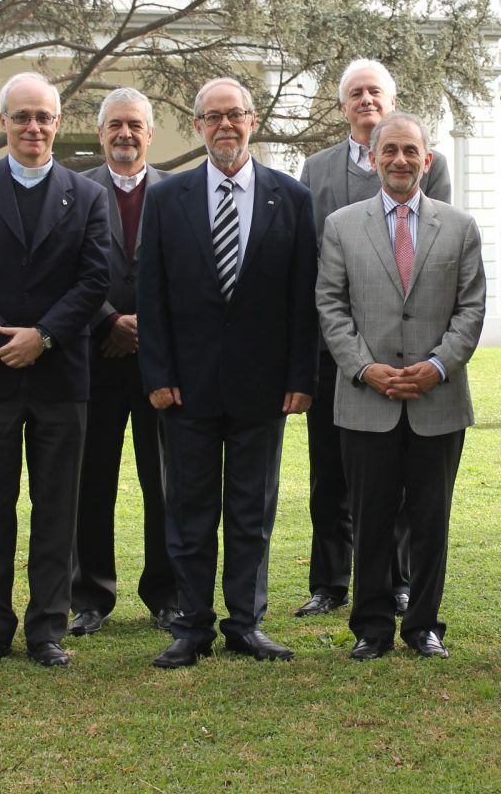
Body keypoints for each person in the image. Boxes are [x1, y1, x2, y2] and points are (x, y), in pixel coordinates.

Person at [137, 77, 318, 668]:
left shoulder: (290, 198)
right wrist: (157, 372)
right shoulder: (168, 200)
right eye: (212, 117)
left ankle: (247, 622)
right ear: (197, 126)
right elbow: (152, 294)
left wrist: (301, 376)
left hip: (262, 388)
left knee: (251, 511)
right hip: (185, 387)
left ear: (252, 120)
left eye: (234, 115)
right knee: (189, 513)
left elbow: (301, 297)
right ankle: (191, 626)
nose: (225, 126)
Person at [0, 72, 111, 668]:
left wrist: (46, 337)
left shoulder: (87, 195)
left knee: (57, 504)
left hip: (62, 378)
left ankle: (46, 628)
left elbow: (94, 280)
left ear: (59, 124)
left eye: (44, 117)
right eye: (21, 117)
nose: (33, 127)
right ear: (2, 123)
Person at [316, 112, 485, 660]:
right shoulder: (342, 225)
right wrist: (364, 368)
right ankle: (371, 626)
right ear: (373, 157)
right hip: (367, 399)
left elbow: (471, 308)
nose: (399, 160)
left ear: (427, 160)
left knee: (431, 520)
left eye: (411, 151)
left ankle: (424, 625)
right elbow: (331, 307)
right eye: (389, 150)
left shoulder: (459, 227)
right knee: (370, 517)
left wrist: (437, 365)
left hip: (437, 399)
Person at [294, 59, 452, 618]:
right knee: (330, 472)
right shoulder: (315, 169)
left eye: (375, 92)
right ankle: (330, 582)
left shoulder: (429, 164)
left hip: (409, 351)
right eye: (356, 93)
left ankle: (399, 579)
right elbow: (308, 257)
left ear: (392, 101)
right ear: (343, 106)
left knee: (405, 481)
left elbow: (441, 252)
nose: (366, 100)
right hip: (335, 348)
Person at [68, 88, 177, 637]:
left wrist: (145, 330)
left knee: (164, 482)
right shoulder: (76, 190)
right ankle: (90, 595)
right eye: (115, 125)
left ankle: (166, 593)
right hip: (93, 356)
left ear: (150, 134)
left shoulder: (175, 193)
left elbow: (187, 275)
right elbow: (65, 269)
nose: (125, 134)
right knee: (92, 479)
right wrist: (109, 320)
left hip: (159, 364)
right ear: (101, 131)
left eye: (135, 125)